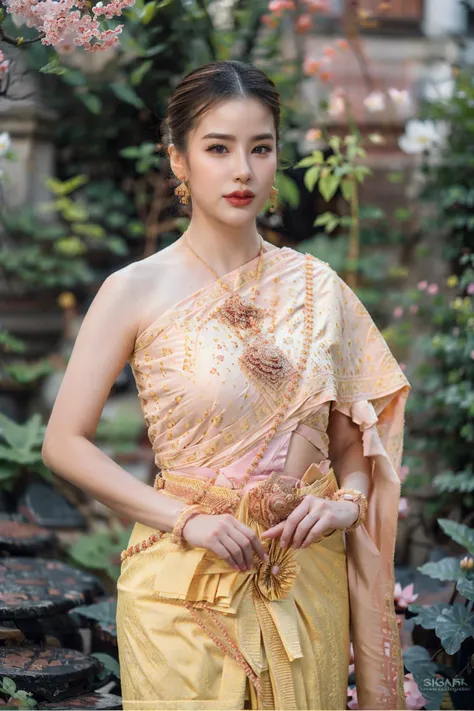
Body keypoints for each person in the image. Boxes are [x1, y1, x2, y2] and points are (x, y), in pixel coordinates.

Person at [42, 60, 411, 711]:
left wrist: (344, 506)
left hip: (302, 583)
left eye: (260, 148)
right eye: (218, 148)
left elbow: (354, 450)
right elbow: (65, 443)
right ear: (179, 160)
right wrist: (189, 521)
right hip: (177, 589)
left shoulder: (318, 290)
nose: (242, 169)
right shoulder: (132, 291)